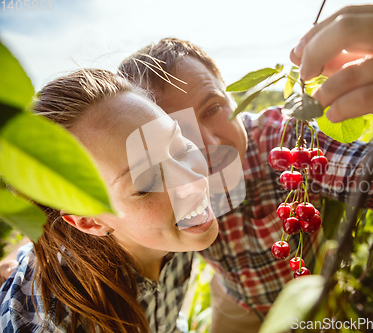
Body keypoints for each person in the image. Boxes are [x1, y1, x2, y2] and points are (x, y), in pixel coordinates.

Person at [117, 5, 373, 332]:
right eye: (177, 132)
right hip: (235, 302)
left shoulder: (284, 146)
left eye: (213, 107)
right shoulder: (156, 189)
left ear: (233, 96)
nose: (209, 144)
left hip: (309, 296)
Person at [0, 69, 219, 333]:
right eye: (146, 183)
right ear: (88, 221)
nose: (195, 182)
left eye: (180, 147)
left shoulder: (170, 231)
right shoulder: (55, 323)